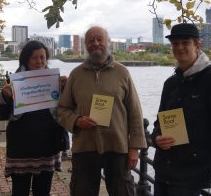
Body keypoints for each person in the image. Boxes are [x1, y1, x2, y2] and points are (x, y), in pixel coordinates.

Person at [151, 23, 211, 196]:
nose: (180, 47)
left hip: (190, 176)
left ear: (197, 45)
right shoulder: (171, 83)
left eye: (185, 42)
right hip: (163, 170)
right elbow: (160, 122)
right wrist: (157, 137)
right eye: (175, 43)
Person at [57, 26, 147, 196]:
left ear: (108, 42)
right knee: (81, 192)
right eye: (91, 40)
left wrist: (135, 148)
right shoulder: (76, 75)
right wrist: (76, 121)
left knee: (123, 192)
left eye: (99, 39)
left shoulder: (122, 72)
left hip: (118, 146)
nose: (95, 43)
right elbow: (62, 110)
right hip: (84, 146)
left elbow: (135, 113)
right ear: (86, 45)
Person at [0, 40, 67, 196]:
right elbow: (0, 114)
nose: (39, 61)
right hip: (21, 150)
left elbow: (66, 109)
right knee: (19, 192)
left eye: (42, 57)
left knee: (43, 192)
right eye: (35, 58)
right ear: (26, 59)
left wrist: (66, 89)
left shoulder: (55, 81)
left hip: (47, 148)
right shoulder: (15, 82)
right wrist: (5, 96)